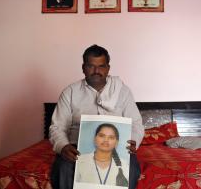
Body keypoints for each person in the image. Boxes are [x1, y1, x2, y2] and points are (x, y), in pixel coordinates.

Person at [49, 44, 144, 189]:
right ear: (83, 67)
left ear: (108, 68)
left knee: (129, 168)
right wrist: (63, 146)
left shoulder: (122, 91)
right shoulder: (70, 92)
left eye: (101, 66)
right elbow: (57, 127)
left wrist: (133, 141)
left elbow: (136, 123)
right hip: (76, 148)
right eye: (91, 66)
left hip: (117, 148)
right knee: (63, 168)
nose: (96, 71)